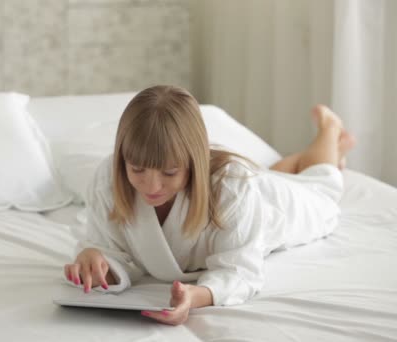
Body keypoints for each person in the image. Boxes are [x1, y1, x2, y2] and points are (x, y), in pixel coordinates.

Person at [63, 85, 356, 325]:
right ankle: (303, 156)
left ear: (193, 162)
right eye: (137, 169)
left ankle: (329, 131)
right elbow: (110, 248)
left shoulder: (233, 185)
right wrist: (95, 259)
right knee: (278, 175)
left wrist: (197, 296)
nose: (152, 187)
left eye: (169, 172)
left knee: (322, 188)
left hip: (271, 204)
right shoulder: (107, 179)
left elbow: (240, 271)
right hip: (258, 186)